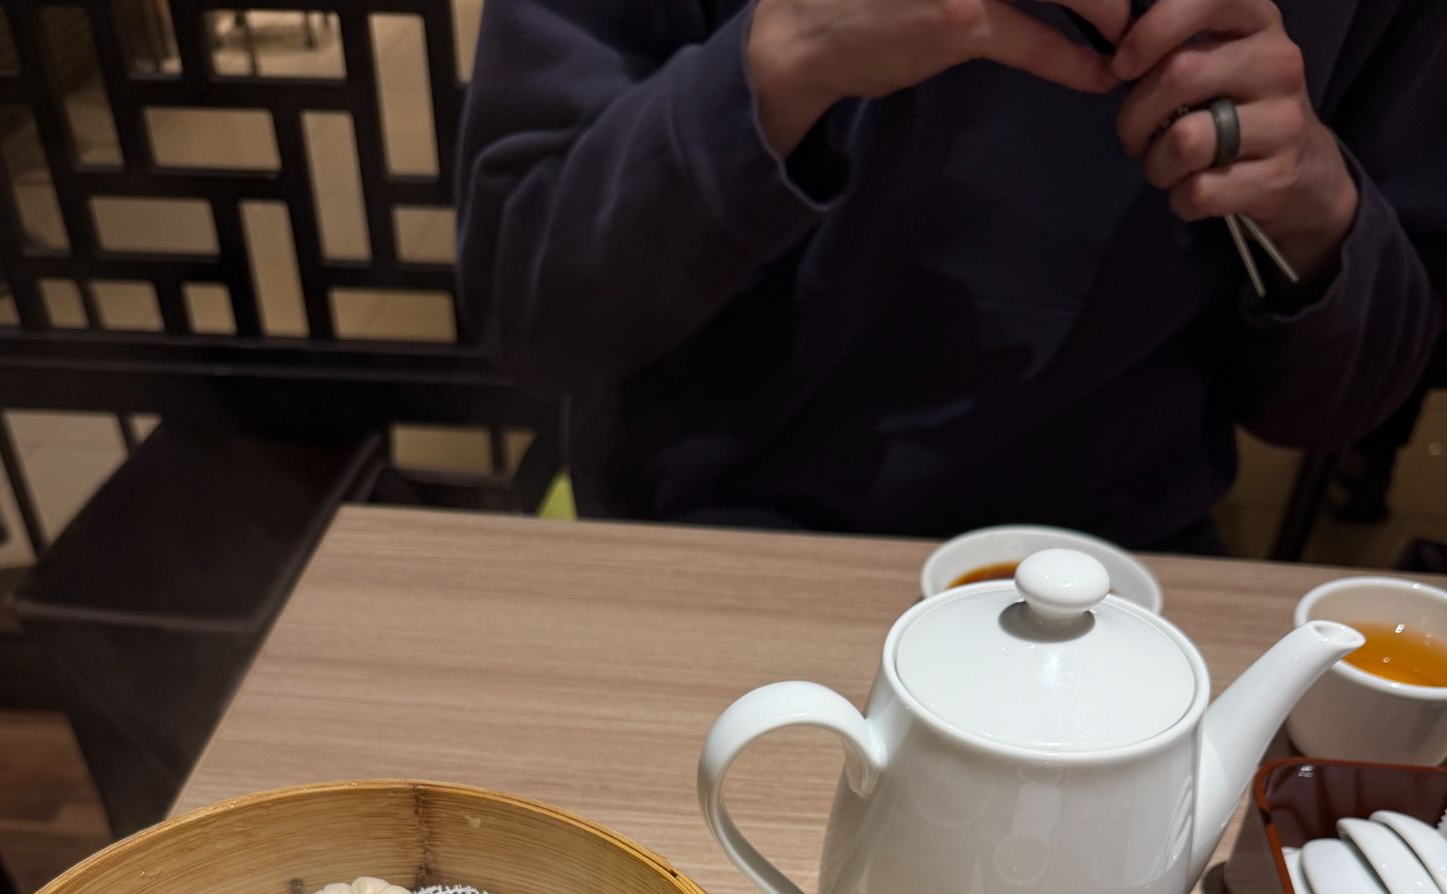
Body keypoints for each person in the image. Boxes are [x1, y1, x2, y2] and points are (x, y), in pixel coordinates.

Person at [457, 1, 1447, 551]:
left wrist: (1317, 206)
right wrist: (781, 62)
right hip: (699, 535)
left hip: (1115, 575)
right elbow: (525, 307)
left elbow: (1355, 401)